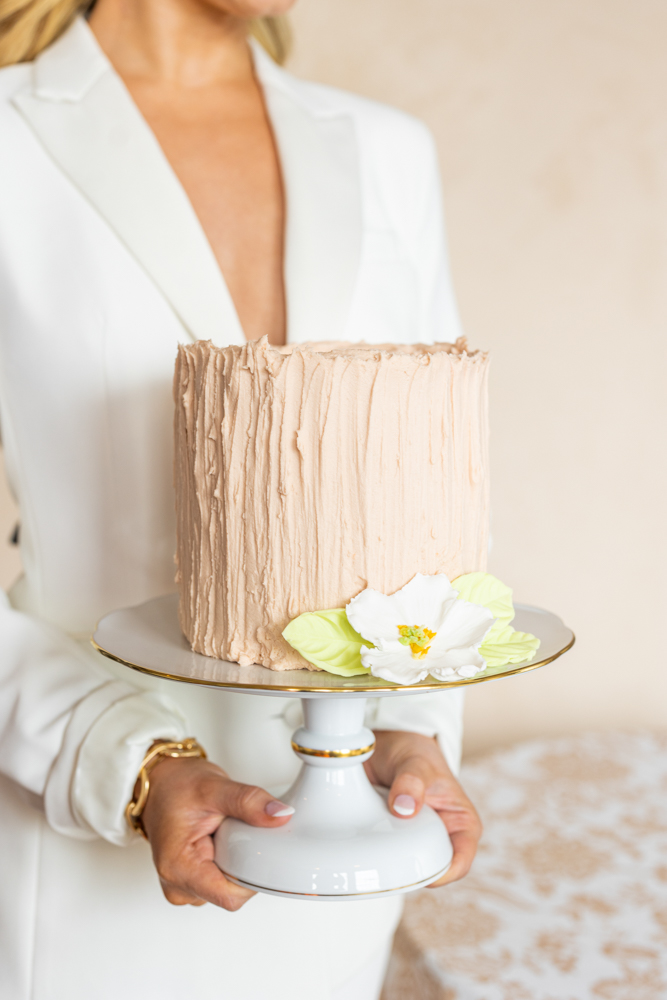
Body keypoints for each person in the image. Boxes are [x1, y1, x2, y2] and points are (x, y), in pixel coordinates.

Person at [0, 1, 482, 998]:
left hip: (344, 862)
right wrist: (132, 764)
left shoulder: (388, 152)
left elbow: (431, 491)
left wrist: (409, 730)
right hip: (76, 864)